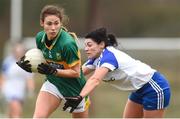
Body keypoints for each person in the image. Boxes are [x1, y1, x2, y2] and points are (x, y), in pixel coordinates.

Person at [63, 27, 171, 118]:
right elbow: (76, 73)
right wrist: (55, 71)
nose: (86, 49)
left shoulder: (108, 57)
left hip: (153, 87)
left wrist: (80, 96)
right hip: (138, 90)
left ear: (101, 44)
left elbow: (95, 80)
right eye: (85, 45)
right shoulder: (95, 59)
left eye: (89, 45)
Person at [16, 5, 90, 118]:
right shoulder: (39, 38)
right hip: (53, 83)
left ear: (61, 23)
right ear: (42, 23)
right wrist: (30, 65)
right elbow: (43, 61)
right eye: (49, 24)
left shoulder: (67, 44)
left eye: (56, 23)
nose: (53, 28)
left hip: (74, 90)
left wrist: (54, 71)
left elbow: (76, 73)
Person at [0, 42, 35, 118]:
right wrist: (1, 89)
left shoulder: (27, 63)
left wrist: (30, 91)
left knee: (11, 112)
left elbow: (29, 78)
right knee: (16, 111)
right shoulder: (8, 61)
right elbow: (3, 76)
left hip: (20, 90)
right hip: (9, 89)